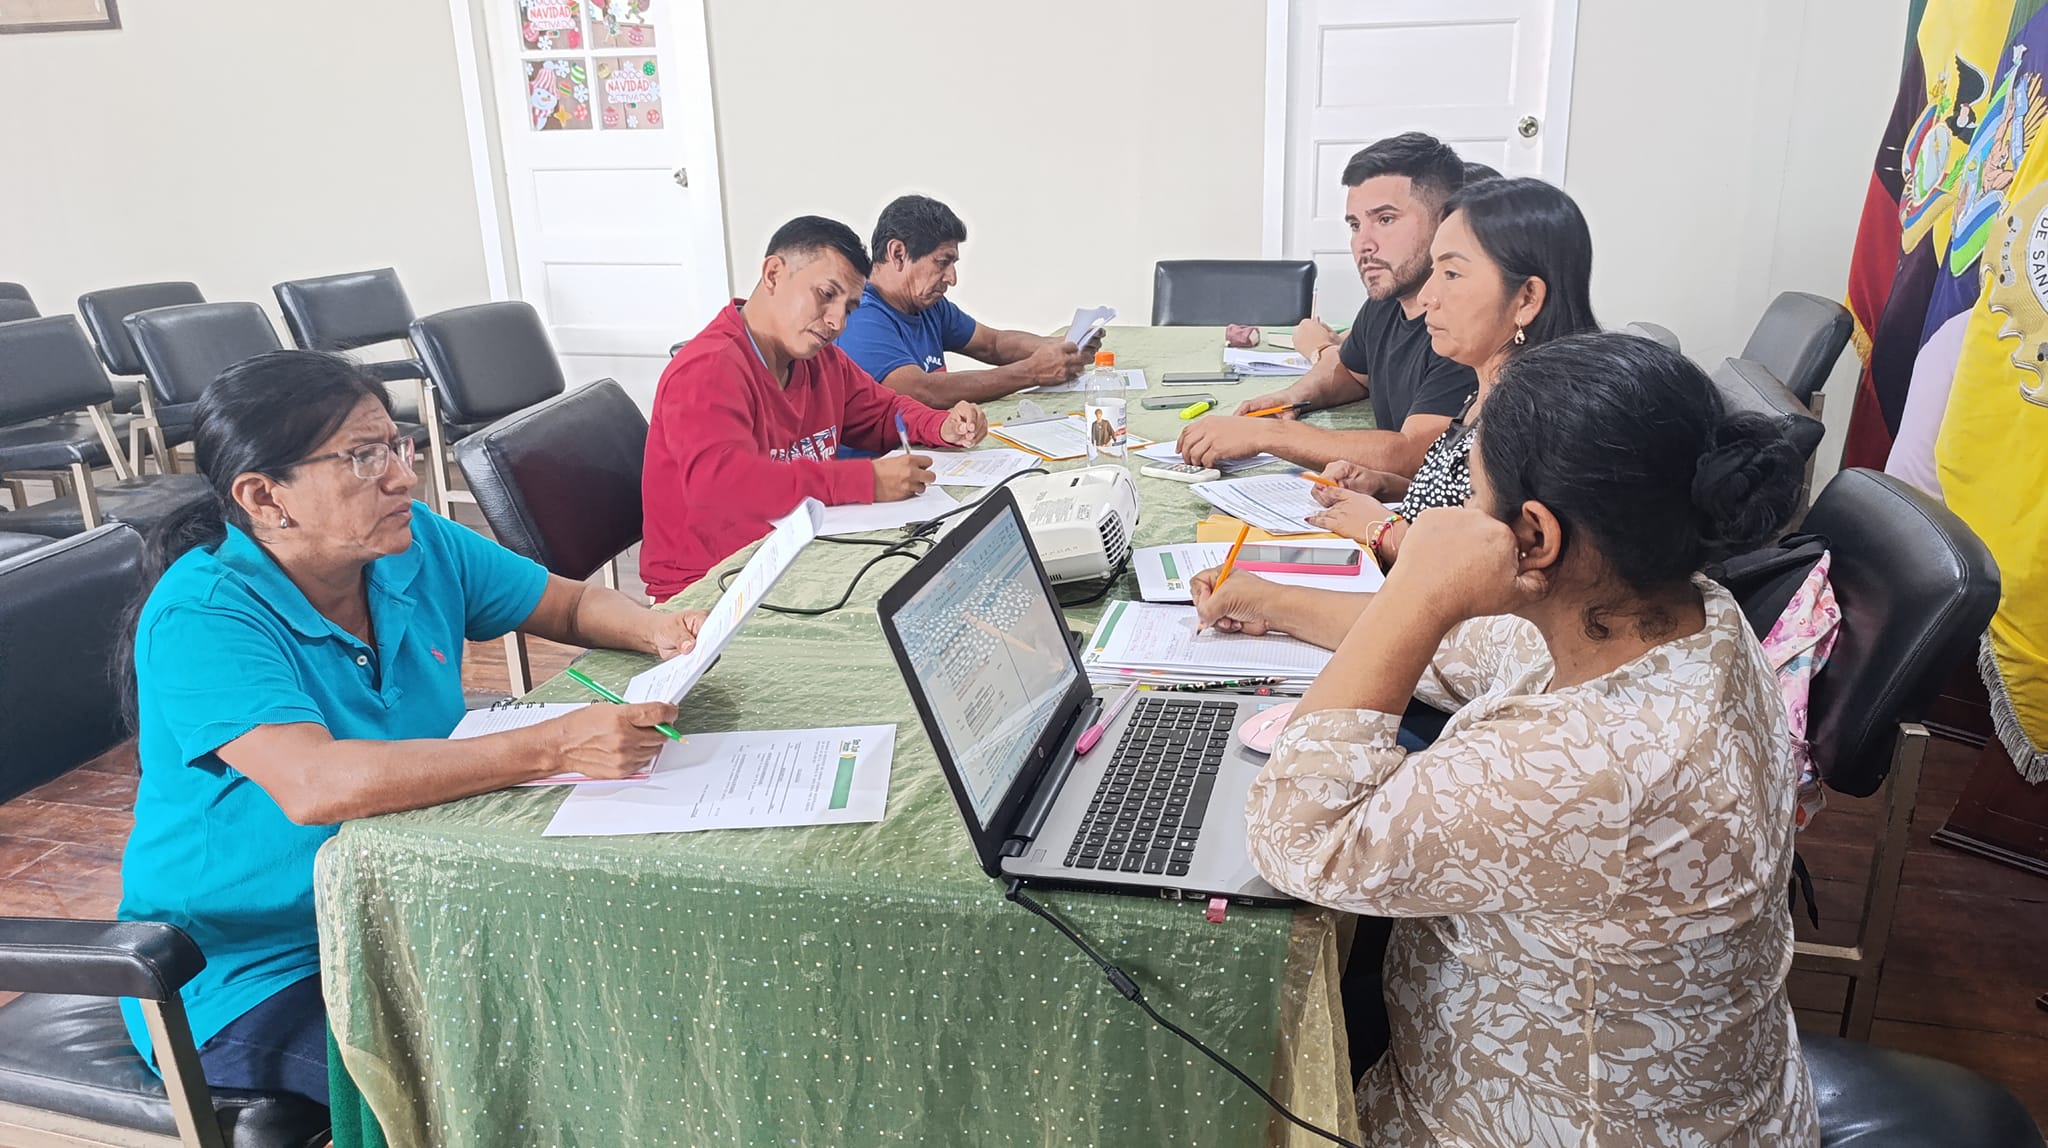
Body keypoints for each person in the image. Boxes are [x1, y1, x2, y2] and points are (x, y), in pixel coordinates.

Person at [1237, 332, 1816, 1145]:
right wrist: (1272, 603)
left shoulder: (1589, 765)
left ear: (1535, 537)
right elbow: (1466, 652)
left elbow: (1297, 835)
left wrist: (1419, 584)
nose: (1451, 521)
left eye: (1471, 503)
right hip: (1674, 1091)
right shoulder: (1690, 613)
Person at [117, 351, 708, 1106]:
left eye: (397, 446)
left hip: (409, 904)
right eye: (363, 458)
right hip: (256, 972)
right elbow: (315, 784)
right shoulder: (204, 614)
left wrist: (657, 629)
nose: (404, 477)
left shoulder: (410, 543)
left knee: (613, 991)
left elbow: (564, 604)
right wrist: (555, 743)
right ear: (264, 496)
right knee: (512, 1080)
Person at [640, 215, 990, 599]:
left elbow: (880, 411)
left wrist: (941, 425)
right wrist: (866, 481)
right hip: (711, 589)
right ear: (773, 274)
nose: (837, 321)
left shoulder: (818, 360)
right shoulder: (707, 371)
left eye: (849, 308)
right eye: (825, 294)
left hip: (795, 559)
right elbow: (725, 486)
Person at [1307, 177, 1599, 558]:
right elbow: (1459, 500)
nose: (1428, 296)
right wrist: (1385, 485)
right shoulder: (1490, 384)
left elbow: (1485, 565)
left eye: (1451, 274)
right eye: (1433, 270)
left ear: (1527, 298)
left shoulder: (1533, 423)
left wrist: (1382, 530)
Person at [1177, 133, 1477, 474]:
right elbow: (1352, 372)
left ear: (1445, 222)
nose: (1363, 244)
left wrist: (1268, 435)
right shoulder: (1386, 301)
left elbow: (1415, 455)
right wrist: (1293, 398)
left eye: (1385, 219)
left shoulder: (1465, 326)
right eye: (1355, 225)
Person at [836, 194, 1095, 405]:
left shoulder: (928, 306)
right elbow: (922, 392)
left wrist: (1064, 346)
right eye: (942, 262)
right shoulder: (860, 316)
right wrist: (1033, 372)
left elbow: (992, 344)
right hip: (887, 453)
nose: (952, 278)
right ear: (898, 253)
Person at [1286, 159, 1509, 367]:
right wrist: (1340, 343)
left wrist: (1319, 350)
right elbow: (1367, 350)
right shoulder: (1395, 293)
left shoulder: (1461, 335)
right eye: (1355, 225)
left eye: (1386, 219)